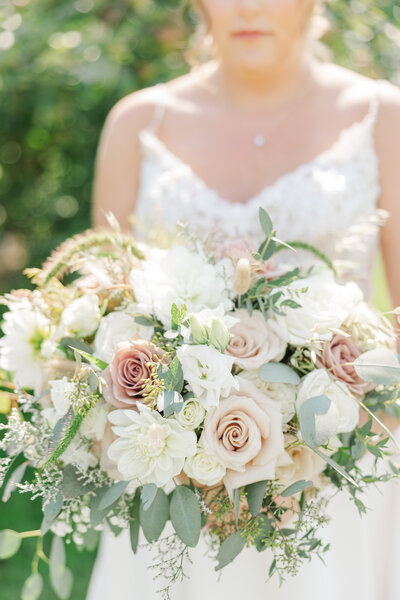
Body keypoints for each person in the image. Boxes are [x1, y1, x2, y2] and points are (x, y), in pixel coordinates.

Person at [89, 1, 400, 598]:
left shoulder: (380, 116)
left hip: (340, 474)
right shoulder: (139, 125)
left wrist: (332, 439)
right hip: (177, 482)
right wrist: (181, 442)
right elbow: (107, 306)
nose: (250, 6)